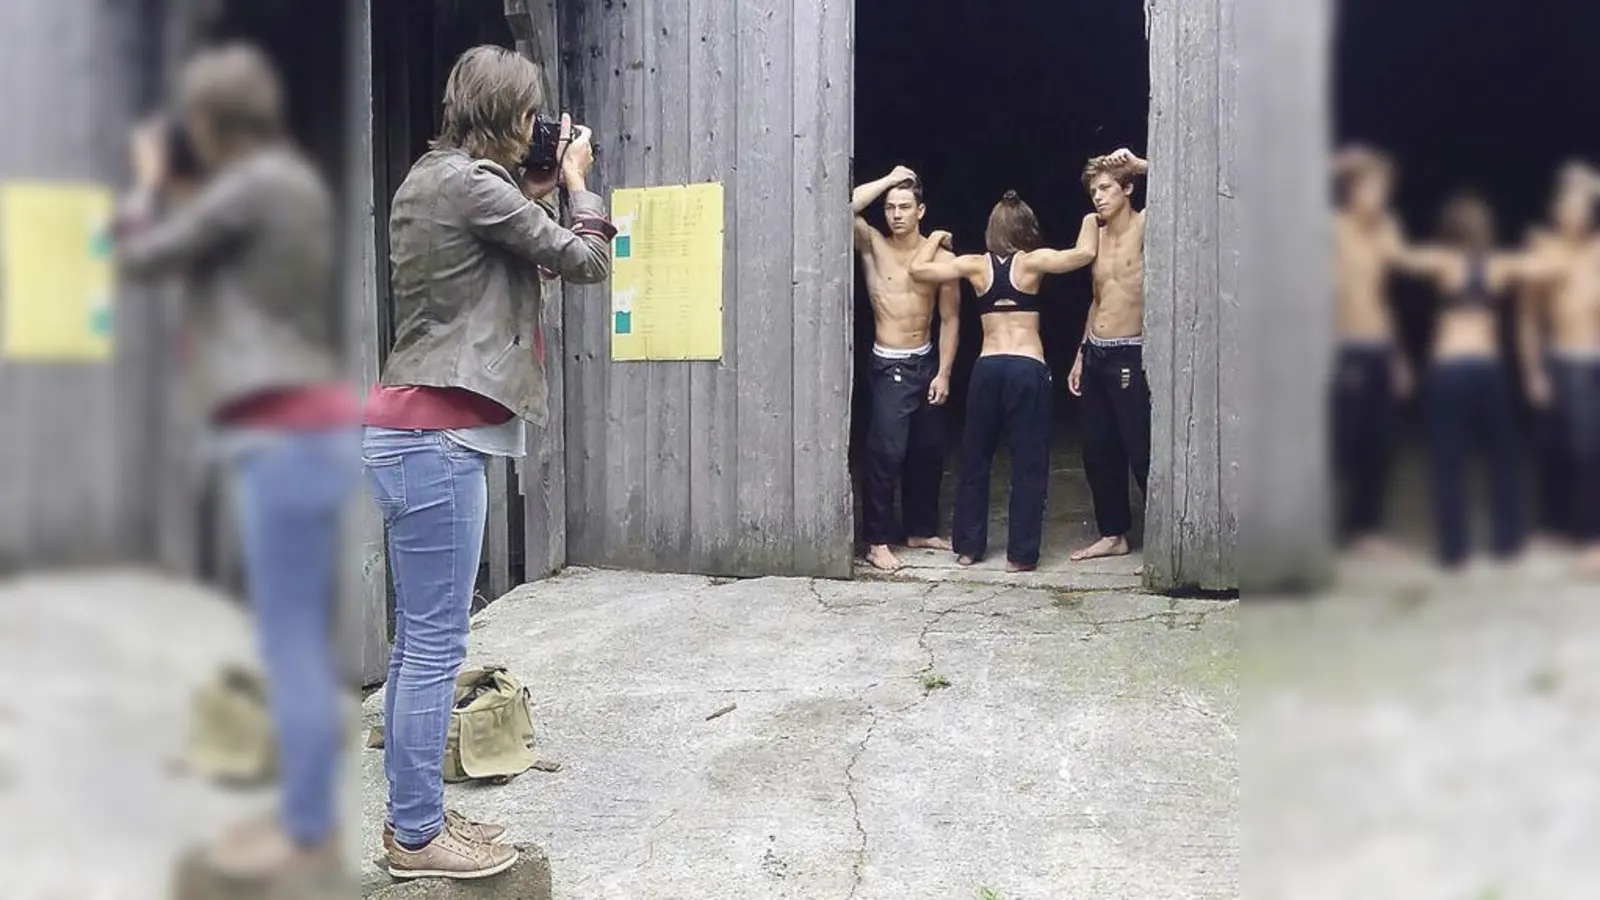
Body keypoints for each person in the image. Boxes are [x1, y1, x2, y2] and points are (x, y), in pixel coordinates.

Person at [361, 45, 615, 880]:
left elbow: (495, 246)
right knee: (434, 647)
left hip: (414, 433)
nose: (539, 128)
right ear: (508, 115)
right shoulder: (471, 185)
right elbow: (584, 260)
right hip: (435, 439)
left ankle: (415, 817)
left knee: (416, 649)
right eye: (530, 113)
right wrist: (578, 183)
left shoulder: (436, 177)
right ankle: (416, 835)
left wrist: (532, 191)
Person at [113, 44, 361, 878]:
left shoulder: (251, 186)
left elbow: (139, 254)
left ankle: (305, 828)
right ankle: (309, 816)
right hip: (312, 429)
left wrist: (149, 182)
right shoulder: (291, 185)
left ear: (214, 122)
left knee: (287, 639)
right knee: (299, 636)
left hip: (280, 434)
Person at [908, 192, 1099, 571]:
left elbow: (918, 270)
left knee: (976, 459)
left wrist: (934, 239)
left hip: (988, 368)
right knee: (1028, 463)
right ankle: (1021, 556)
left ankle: (968, 548)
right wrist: (1093, 218)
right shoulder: (1034, 261)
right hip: (1027, 367)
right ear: (1026, 228)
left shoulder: (976, 265)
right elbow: (1083, 254)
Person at [1386, 192, 1554, 570]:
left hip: (1456, 370)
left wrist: (1388, 227)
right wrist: (1542, 245)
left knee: (1464, 458)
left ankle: (1459, 549)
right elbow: (1545, 267)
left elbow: (1400, 256)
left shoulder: (1456, 262)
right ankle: (1500, 543)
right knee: (1493, 457)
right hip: (1476, 370)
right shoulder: (1482, 264)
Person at [851, 166, 961, 571]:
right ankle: (876, 540)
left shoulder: (941, 257)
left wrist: (945, 372)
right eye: (890, 207)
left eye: (904, 207)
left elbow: (950, 319)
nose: (896, 214)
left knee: (927, 451)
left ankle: (920, 528)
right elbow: (844, 209)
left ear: (921, 210)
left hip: (927, 359)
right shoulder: (873, 244)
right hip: (889, 364)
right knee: (886, 451)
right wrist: (888, 178)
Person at [1068, 148, 1151, 563]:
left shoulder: (1146, 223)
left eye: (1106, 188)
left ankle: (1162, 543)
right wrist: (1081, 353)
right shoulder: (1094, 235)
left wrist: (1138, 164)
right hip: (1097, 350)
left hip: (1130, 351)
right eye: (1093, 191)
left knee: (1140, 448)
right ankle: (1113, 534)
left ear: (1127, 189)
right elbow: (1097, 298)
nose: (1098, 197)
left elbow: (1187, 190)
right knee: (1098, 449)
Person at [1329, 144, 1413, 556]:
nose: (1380, 196)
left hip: (1380, 347)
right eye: (1373, 187)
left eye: (1384, 188)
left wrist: (1398, 359)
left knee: (1379, 444)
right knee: (1342, 443)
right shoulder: (1333, 227)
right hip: (1346, 351)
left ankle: (1366, 529)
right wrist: (1347, 162)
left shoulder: (1385, 231)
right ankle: (1321, 528)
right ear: (1353, 189)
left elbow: (1384, 297)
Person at [1519, 162, 1600, 571]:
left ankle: (1593, 537)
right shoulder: (1543, 249)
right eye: (1569, 204)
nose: (1577, 213)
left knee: (1590, 450)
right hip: (1558, 359)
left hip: (1593, 362)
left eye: (1585, 205)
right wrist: (1533, 371)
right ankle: (1554, 527)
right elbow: (1528, 319)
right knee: (1553, 448)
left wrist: (1589, 181)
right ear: (1555, 208)